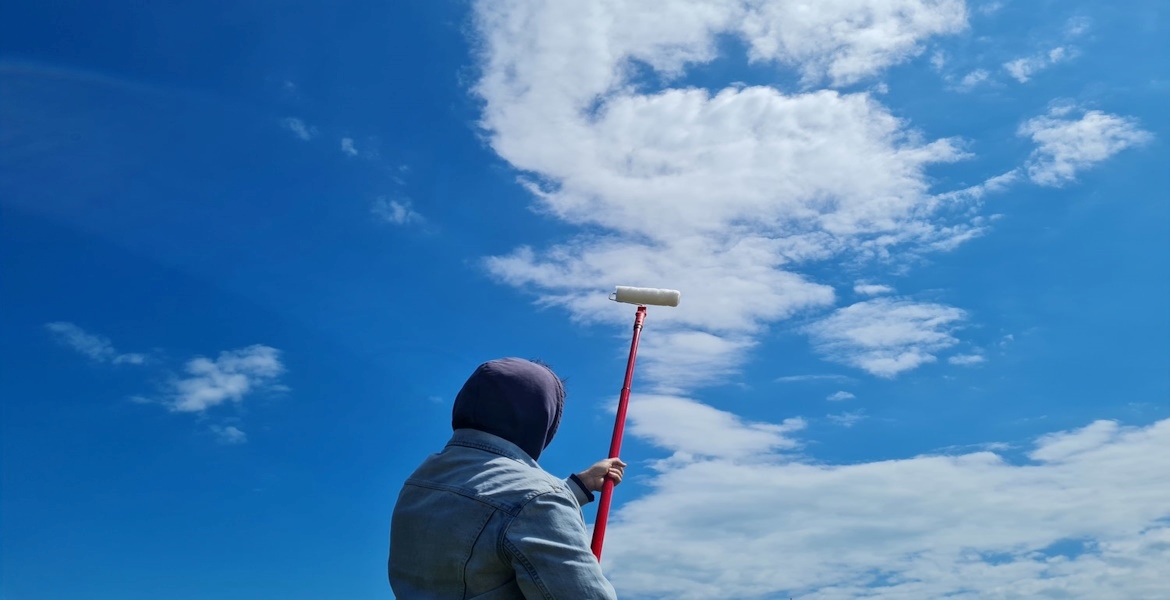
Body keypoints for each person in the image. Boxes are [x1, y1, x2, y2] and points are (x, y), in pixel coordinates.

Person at [388, 357, 626, 599]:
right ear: (542, 420)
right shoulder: (539, 499)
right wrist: (556, 495)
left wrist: (577, 486)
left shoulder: (419, 481)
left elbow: (490, 515)